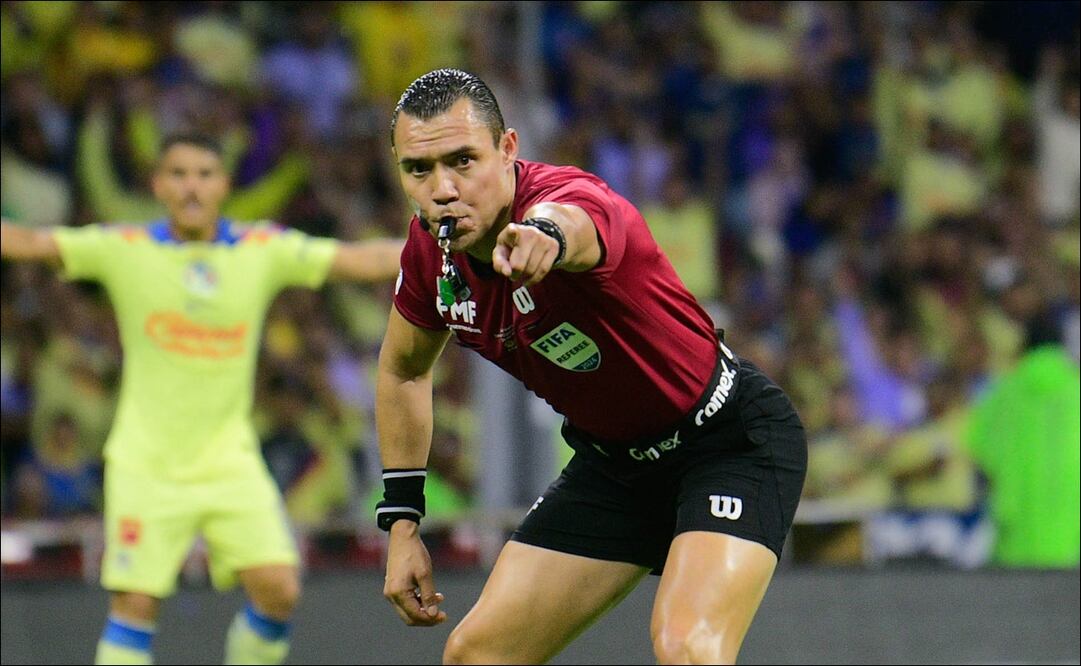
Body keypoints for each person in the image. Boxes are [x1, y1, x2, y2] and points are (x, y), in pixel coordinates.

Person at [375, 68, 807, 664]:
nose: (443, 189)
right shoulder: (430, 256)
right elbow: (403, 370)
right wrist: (402, 523)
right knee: (476, 656)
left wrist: (544, 237)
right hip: (615, 470)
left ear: (508, 149)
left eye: (463, 161)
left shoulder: (568, 198)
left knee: (687, 647)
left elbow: (576, 222)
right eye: (418, 170)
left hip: (728, 443)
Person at [0, 132, 404, 666]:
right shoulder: (126, 248)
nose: (192, 186)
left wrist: (444, 247)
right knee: (135, 606)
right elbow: (31, 243)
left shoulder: (261, 249)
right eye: (180, 174)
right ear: (158, 185)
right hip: (146, 464)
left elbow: (359, 258)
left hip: (228, 461)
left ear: (224, 185)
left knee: (279, 588)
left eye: (205, 174)